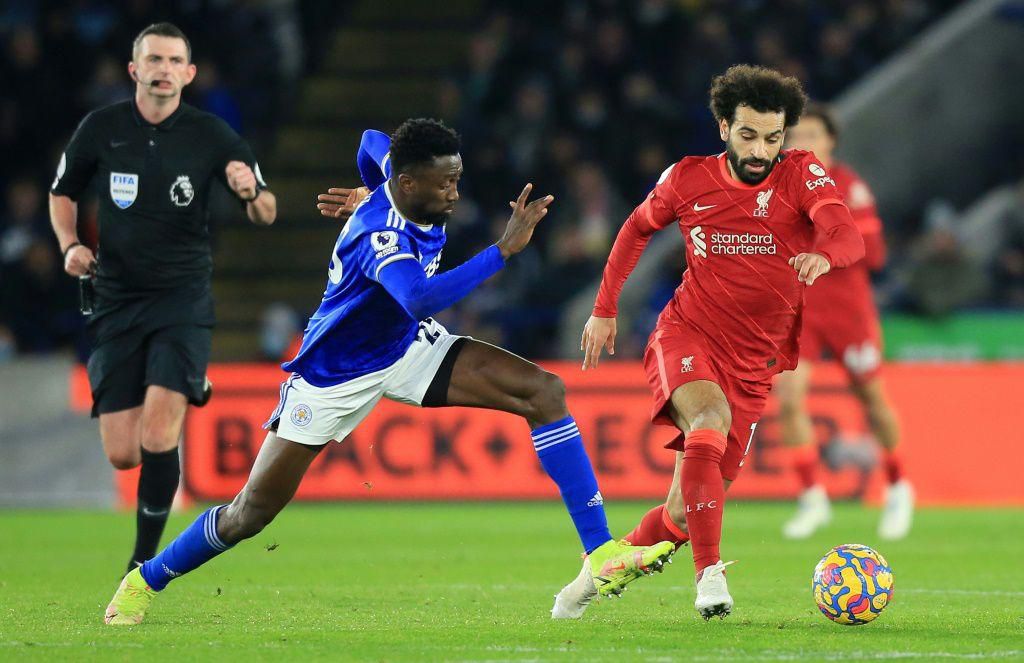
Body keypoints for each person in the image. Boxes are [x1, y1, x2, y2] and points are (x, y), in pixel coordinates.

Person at [104, 119, 674, 625]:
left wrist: (370, 186)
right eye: (444, 182)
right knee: (248, 515)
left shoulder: (393, 179)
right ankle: (145, 579)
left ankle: (600, 553)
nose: (454, 191)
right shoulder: (384, 239)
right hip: (334, 377)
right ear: (410, 185)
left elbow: (370, 141)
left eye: (456, 177)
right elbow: (420, 297)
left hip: (402, 350)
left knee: (543, 391)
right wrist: (501, 251)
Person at [551, 65, 865, 620]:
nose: (760, 150)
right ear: (724, 127)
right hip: (688, 334)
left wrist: (825, 253)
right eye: (748, 135)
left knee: (680, 514)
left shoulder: (801, 174)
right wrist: (604, 309)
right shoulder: (688, 178)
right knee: (708, 421)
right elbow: (635, 229)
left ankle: (595, 574)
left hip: (754, 362)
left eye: (773, 138)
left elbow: (844, 229)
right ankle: (710, 576)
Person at [49, 22, 277, 575]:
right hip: (116, 300)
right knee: (123, 452)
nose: (164, 69)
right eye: (154, 58)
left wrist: (249, 191)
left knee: (159, 433)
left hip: (183, 299)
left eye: (175, 60)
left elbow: (266, 211)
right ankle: (186, 381)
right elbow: (63, 193)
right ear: (134, 69)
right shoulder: (101, 129)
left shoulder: (213, 136)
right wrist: (70, 244)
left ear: (189, 73)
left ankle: (142, 564)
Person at [776, 104, 913, 541]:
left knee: (871, 399)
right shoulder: (777, 188)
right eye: (796, 135)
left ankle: (897, 486)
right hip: (801, 310)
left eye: (813, 135)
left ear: (831, 141)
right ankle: (812, 498)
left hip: (847, 310)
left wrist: (821, 245)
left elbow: (873, 255)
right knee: (789, 399)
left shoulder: (850, 188)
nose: (803, 143)